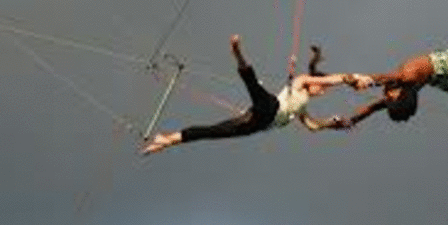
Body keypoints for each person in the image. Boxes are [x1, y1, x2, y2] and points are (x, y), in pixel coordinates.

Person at [141, 35, 369, 155]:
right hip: (270, 107)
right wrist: (353, 77)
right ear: (315, 83)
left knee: (213, 131)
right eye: (322, 88)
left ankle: (167, 140)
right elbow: (333, 79)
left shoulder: (303, 108)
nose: (322, 91)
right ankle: (237, 53)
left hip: (257, 124)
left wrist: (331, 123)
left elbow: (312, 126)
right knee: (253, 86)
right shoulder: (301, 82)